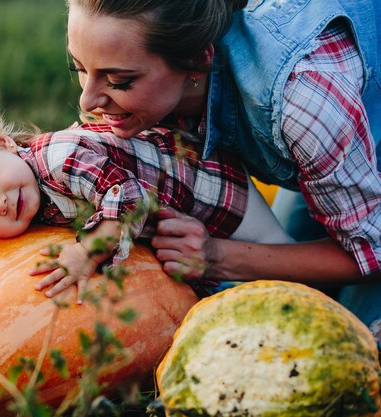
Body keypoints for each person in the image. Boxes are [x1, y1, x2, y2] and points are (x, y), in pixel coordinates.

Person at [64, 0, 381, 341]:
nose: (86, 101)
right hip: (333, 150)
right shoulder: (152, 78)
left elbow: (373, 252)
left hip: (342, 127)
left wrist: (216, 257)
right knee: (283, 299)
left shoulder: (302, 100)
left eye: (120, 81)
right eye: (79, 68)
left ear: (198, 61)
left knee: (349, 339)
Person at [0, 112, 292, 303]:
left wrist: (86, 251)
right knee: (239, 294)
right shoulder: (27, 192)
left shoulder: (62, 158)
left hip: (215, 194)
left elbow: (127, 198)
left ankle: (328, 292)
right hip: (185, 227)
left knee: (280, 262)